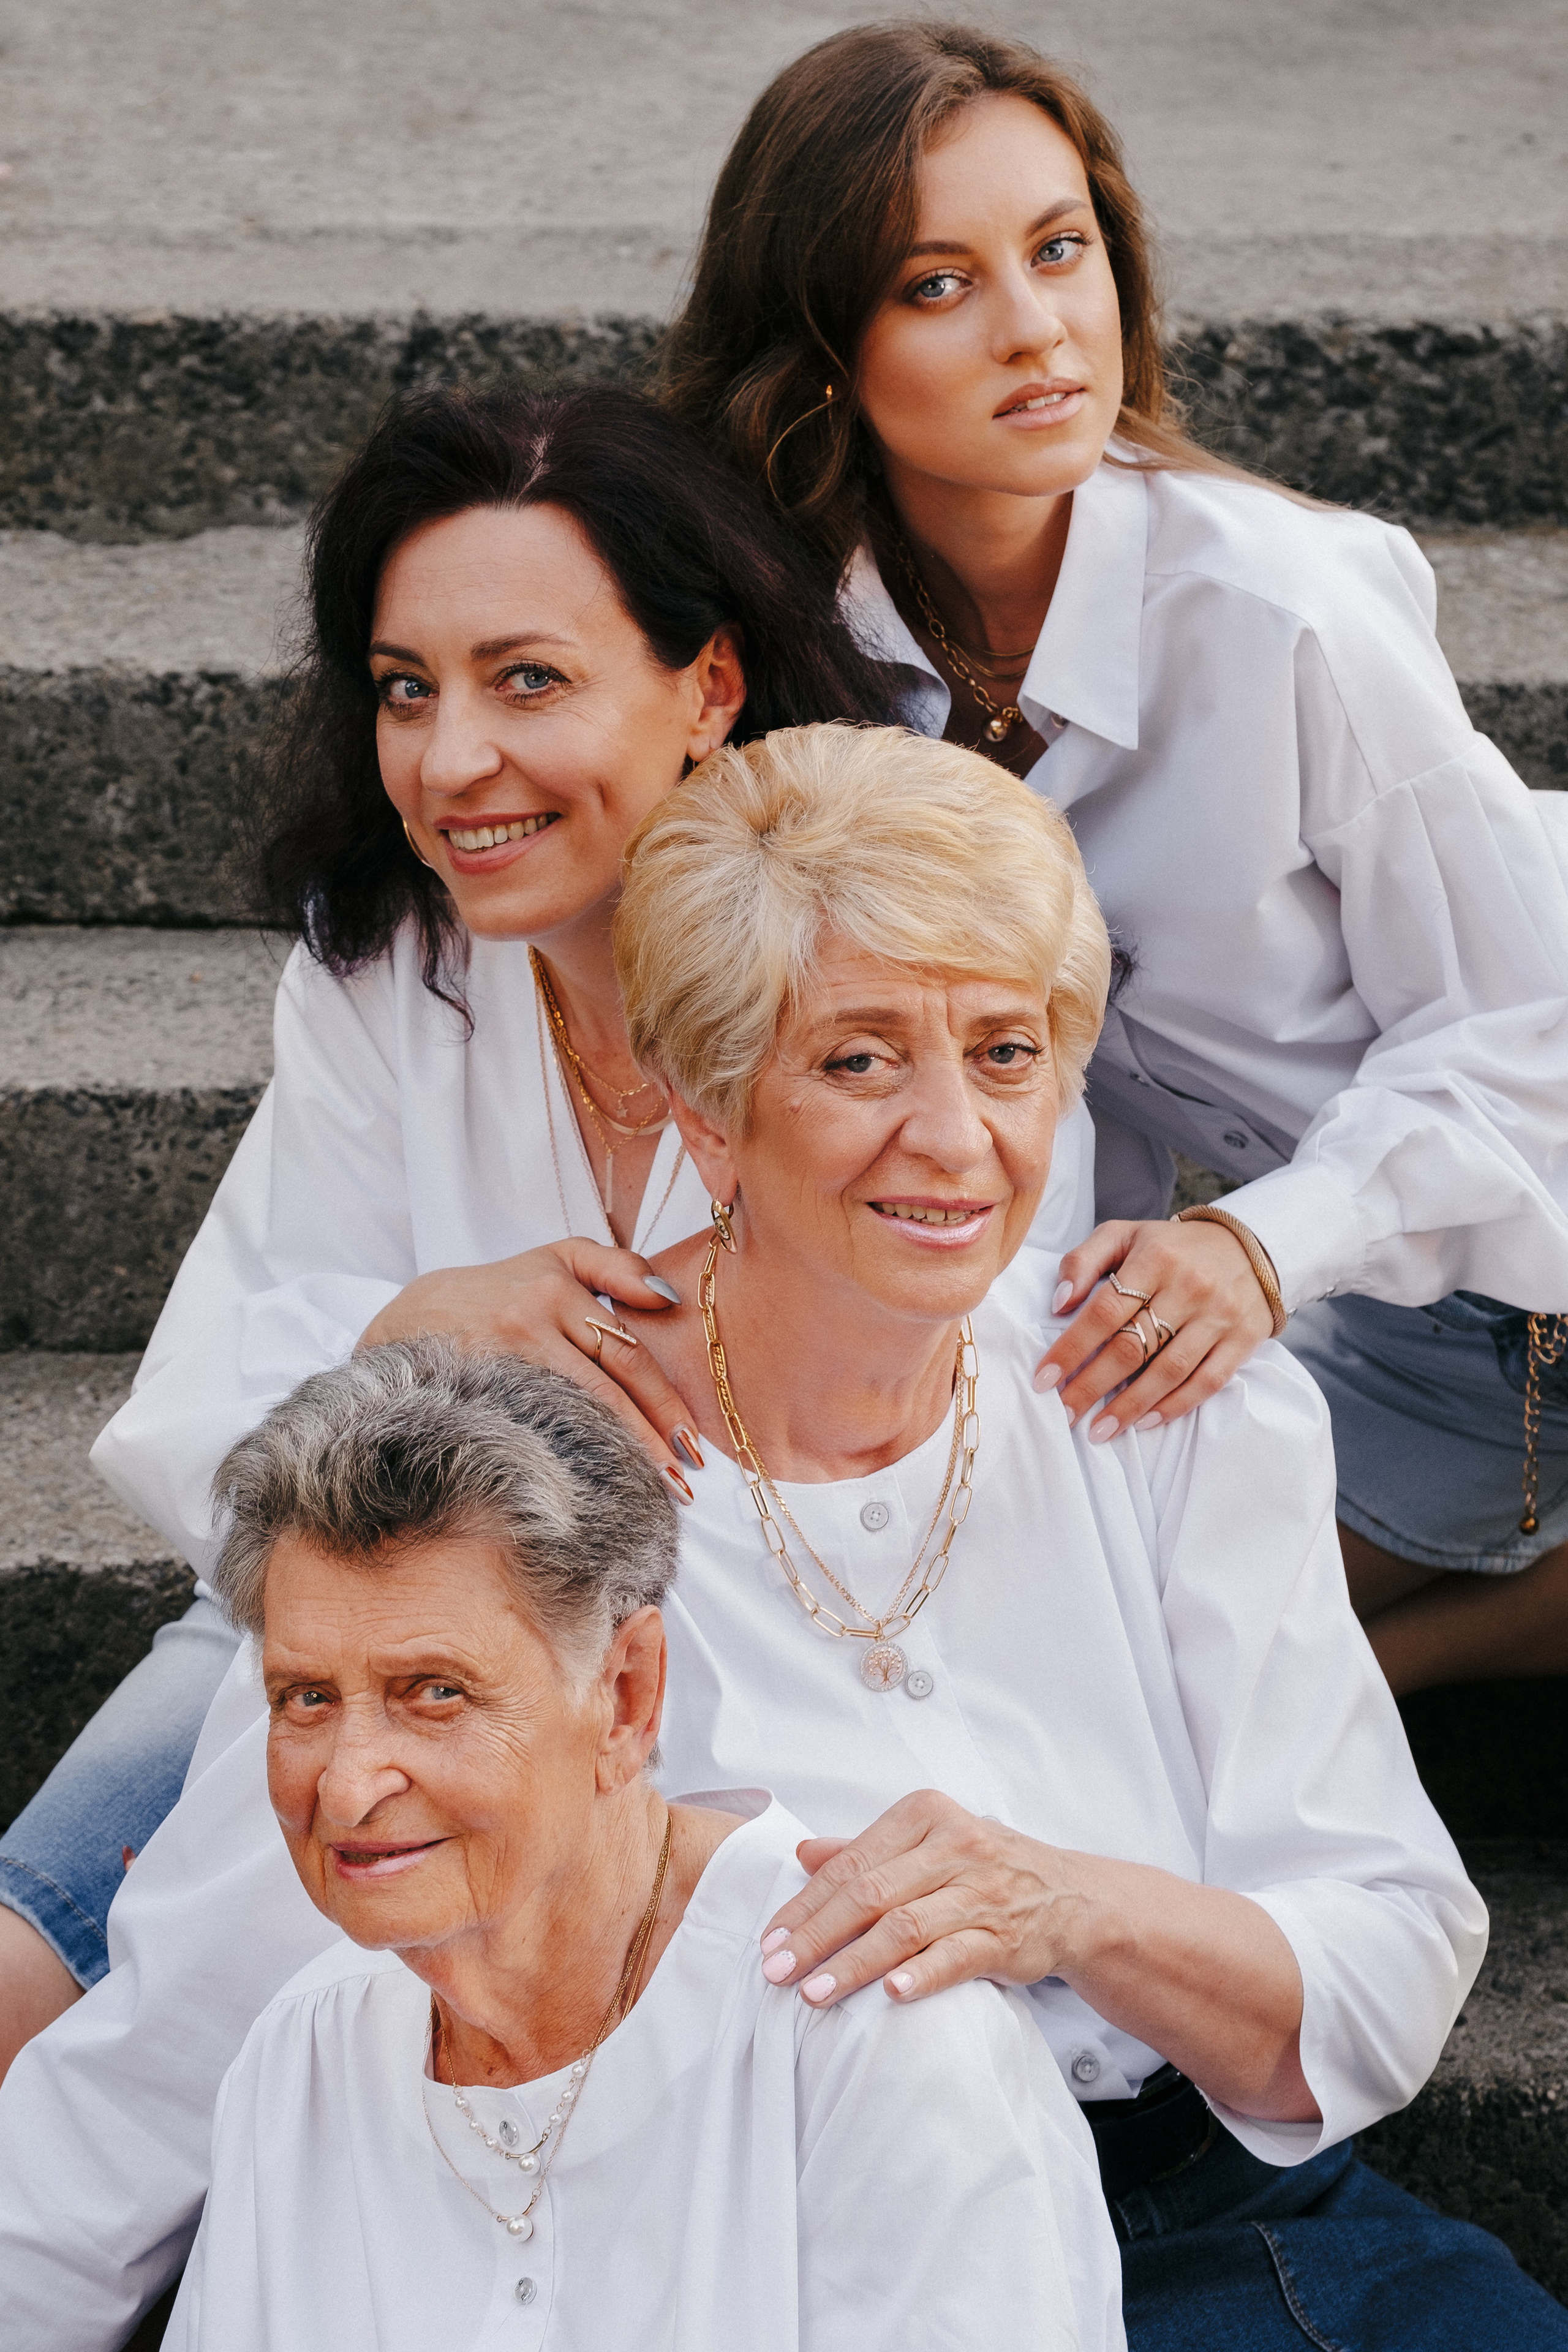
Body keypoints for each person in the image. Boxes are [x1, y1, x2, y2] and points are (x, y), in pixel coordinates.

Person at [6, 725, 1562, 2351]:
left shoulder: (1170, 1395)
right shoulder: (512, 1476)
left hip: (1215, 2228)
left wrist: (1071, 1907)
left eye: (1010, 1051)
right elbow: (183, 2036)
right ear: (704, 1109)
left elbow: (1384, 1941)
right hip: (734, 2250)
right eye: (862, 1058)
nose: (958, 1136)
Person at [0, 382, 987, 2074]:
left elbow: (940, 1386)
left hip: (731, 1665)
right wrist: (413, 1341)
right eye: (406, 690)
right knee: (24, 1991)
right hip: (348, 1619)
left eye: (527, 679)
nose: (453, 762)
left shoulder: (893, 955)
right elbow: (200, 1415)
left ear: (708, 687)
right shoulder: (396, 968)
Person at [660, 19, 1568, 1697]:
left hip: (1490, 1202)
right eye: (939, 284)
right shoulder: (817, 671)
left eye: (1061, 249)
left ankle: (1434, 1663)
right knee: (1063, 1633)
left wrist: (1256, 1248)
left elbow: (1524, 1044)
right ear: (821, 346)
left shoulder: (1282, 610)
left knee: (1152, 1657)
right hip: (1429, 1319)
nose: (1039, 329)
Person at [164, 1340, 1114, 2350]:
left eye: (434, 1693)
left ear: (626, 1696)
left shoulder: (870, 2036)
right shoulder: (299, 2062)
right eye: (306, 1698)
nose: (350, 1786)